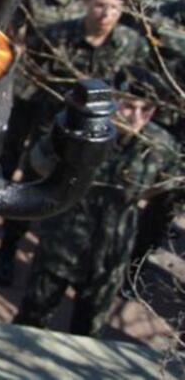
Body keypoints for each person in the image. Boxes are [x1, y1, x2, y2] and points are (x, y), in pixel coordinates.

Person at [0, 0, 147, 286]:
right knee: (32, 190)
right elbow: (30, 79)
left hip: (98, 140)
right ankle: (8, 250)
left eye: (115, 9)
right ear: (88, 2)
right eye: (101, 5)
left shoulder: (131, 45)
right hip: (53, 132)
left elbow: (136, 89)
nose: (106, 15)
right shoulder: (57, 35)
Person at [13, 66, 178, 336]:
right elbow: (38, 161)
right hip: (62, 243)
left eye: (146, 111)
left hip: (110, 254)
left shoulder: (159, 146)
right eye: (129, 106)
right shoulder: (82, 130)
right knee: (31, 320)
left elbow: (165, 188)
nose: (136, 117)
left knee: (88, 332)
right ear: (113, 100)